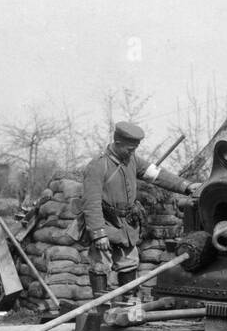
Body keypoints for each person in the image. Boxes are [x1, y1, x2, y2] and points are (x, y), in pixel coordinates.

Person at [81, 121, 199, 302]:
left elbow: (159, 175)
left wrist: (186, 186)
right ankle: (100, 307)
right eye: (129, 148)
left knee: (129, 262)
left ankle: (127, 304)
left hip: (127, 224)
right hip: (106, 222)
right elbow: (91, 203)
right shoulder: (98, 166)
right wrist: (98, 234)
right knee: (100, 264)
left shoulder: (132, 160)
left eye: (135, 148)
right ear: (117, 143)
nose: (132, 152)